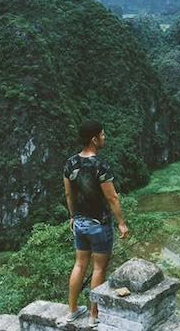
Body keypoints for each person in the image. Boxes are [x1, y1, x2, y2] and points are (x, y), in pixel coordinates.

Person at [60, 120, 130, 325]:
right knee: (98, 269)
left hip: (80, 224)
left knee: (79, 264)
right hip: (100, 224)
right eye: (103, 134)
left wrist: (73, 217)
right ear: (94, 139)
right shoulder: (100, 165)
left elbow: (68, 194)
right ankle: (93, 316)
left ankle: (72, 310)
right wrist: (121, 223)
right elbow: (112, 198)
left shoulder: (70, 163)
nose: (105, 137)